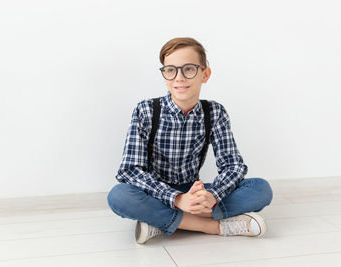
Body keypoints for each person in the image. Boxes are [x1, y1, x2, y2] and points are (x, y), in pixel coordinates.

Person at [107, 37, 273, 244]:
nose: (179, 78)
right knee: (119, 196)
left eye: (188, 69)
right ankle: (213, 226)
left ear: (205, 74)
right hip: (156, 193)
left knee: (261, 189)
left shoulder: (215, 112)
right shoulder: (146, 110)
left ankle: (163, 221)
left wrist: (212, 195)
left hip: (194, 191)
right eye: (170, 70)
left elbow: (233, 166)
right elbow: (129, 170)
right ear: (164, 75)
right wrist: (177, 199)